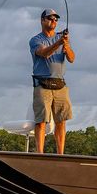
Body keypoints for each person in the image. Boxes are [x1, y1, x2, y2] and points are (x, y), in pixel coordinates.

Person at [29, 8, 75, 154]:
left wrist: (66, 45)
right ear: (42, 20)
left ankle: (60, 154)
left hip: (60, 84)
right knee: (41, 121)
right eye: (50, 18)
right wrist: (59, 43)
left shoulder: (61, 38)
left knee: (61, 121)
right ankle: (40, 153)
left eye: (56, 19)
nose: (53, 21)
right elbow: (44, 53)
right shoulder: (36, 40)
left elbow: (72, 59)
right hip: (42, 85)